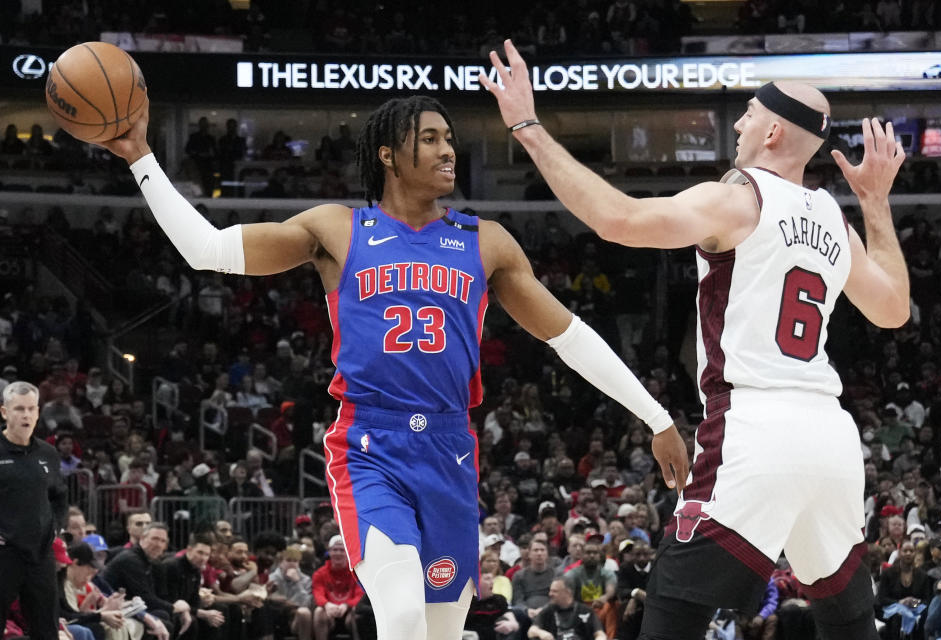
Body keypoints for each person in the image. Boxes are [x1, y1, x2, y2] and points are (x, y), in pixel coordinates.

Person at [98, 94, 688, 640]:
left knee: (439, 628)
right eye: (429, 139)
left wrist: (656, 416)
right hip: (369, 443)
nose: (447, 149)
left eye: (449, 138)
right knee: (401, 611)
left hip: (450, 448)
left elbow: (570, 337)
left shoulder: (486, 242)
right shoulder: (336, 229)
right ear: (388, 154)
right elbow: (208, 249)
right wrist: (142, 157)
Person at [482, 39, 909, 640]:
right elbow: (893, 310)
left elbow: (617, 220)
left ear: (772, 136)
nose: (739, 124)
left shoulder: (737, 199)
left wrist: (528, 127)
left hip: (757, 426)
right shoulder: (833, 220)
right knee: (847, 618)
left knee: (674, 606)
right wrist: (873, 200)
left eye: (751, 115)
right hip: (832, 440)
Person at [0, 381, 68, 640]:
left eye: (31, 409)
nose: (26, 415)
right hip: (4, 553)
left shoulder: (48, 453)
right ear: (4, 412)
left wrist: (55, 528)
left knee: (46, 629)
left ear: (38, 412)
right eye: (18, 409)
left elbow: (60, 497)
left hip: (40, 554)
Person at [311, 535, 363, 640]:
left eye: (342, 550)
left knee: (357, 611)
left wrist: (347, 605)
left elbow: (359, 595)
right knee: (318, 612)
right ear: (329, 552)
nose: (338, 553)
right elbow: (318, 593)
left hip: (349, 613)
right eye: (335, 550)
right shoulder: (319, 574)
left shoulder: (357, 573)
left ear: (347, 553)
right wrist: (327, 605)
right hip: (328, 614)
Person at [528, 577, 606, 640]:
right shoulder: (548, 610)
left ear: (568, 592)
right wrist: (541, 633)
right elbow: (531, 631)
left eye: (555, 591)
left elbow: (600, 634)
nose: (550, 594)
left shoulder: (585, 611)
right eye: (550, 591)